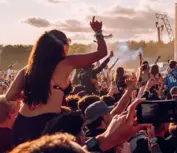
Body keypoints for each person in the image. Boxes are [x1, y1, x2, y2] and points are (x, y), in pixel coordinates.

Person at [6, 16, 108, 146]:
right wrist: (98, 32)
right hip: (46, 124)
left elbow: (10, 95)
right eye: (67, 43)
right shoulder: (65, 63)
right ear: (61, 46)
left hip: (22, 123)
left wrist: (33, 96)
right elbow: (101, 53)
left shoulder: (28, 69)